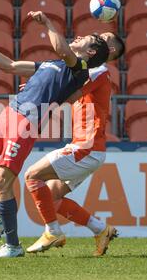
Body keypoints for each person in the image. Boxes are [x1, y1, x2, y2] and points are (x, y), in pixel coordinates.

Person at [0, 11, 111, 258]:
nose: (78, 36)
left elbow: (63, 50)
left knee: (2, 181)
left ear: (91, 53)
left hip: (26, 123)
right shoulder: (53, 64)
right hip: (9, 113)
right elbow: (8, 65)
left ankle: (12, 246)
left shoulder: (80, 70)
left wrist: (49, 23)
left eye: (86, 38)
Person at [24, 33, 125, 257]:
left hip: (85, 148)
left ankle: (52, 232)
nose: (100, 36)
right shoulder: (89, 70)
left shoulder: (98, 71)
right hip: (88, 148)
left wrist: (39, 91)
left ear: (108, 51)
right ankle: (101, 230)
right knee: (52, 198)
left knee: (32, 176)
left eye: (106, 38)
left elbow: (69, 95)